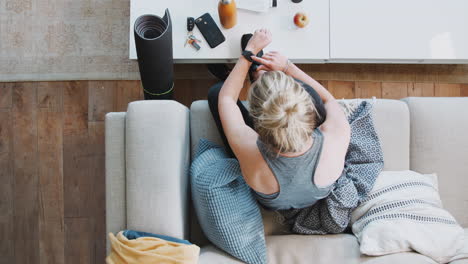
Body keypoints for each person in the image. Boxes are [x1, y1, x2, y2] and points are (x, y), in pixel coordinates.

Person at [207, 29, 350, 211]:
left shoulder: (249, 147)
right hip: (303, 191)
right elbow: (328, 100)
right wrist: (286, 67)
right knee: (315, 95)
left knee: (216, 91)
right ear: (307, 111)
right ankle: (258, 74)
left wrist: (248, 53)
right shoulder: (335, 139)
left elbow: (226, 98)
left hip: (267, 178)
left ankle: (254, 72)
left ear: (256, 123)